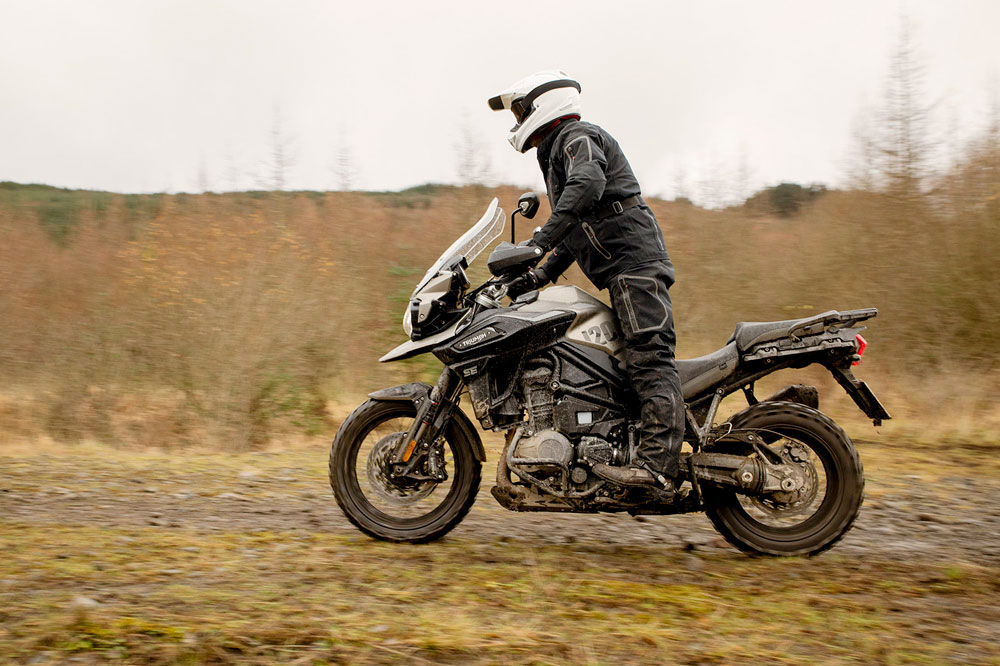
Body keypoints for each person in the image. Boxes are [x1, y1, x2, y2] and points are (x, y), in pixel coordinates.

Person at [488, 70, 684, 495]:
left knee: (648, 358)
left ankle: (657, 468)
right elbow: (577, 231)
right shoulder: (559, 151)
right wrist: (536, 274)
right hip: (623, 270)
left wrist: (539, 241)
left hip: (634, 267)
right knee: (616, 363)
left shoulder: (577, 137)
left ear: (545, 106)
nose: (517, 119)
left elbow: (588, 187)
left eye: (521, 110)